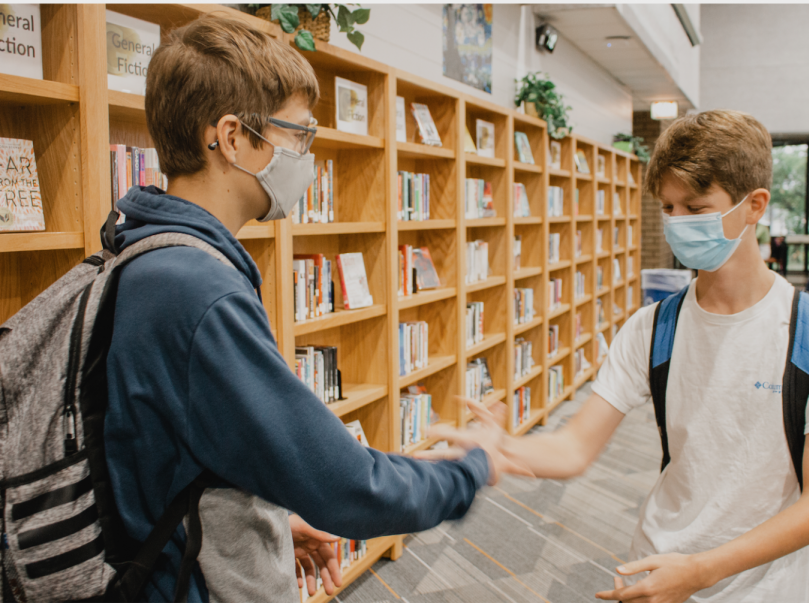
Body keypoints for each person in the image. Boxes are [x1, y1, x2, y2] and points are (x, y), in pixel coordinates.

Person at [105, 17, 521, 602]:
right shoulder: (196, 291)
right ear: (231, 137)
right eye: (299, 135)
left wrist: (270, 522)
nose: (307, 155)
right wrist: (470, 467)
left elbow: (166, 457)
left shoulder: (141, 252)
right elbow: (351, 485)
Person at [425, 110, 809, 602]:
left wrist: (702, 570)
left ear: (755, 206)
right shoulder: (653, 327)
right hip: (657, 571)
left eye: (696, 207)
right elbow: (575, 446)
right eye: (667, 208)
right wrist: (502, 449)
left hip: (767, 585)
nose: (678, 224)